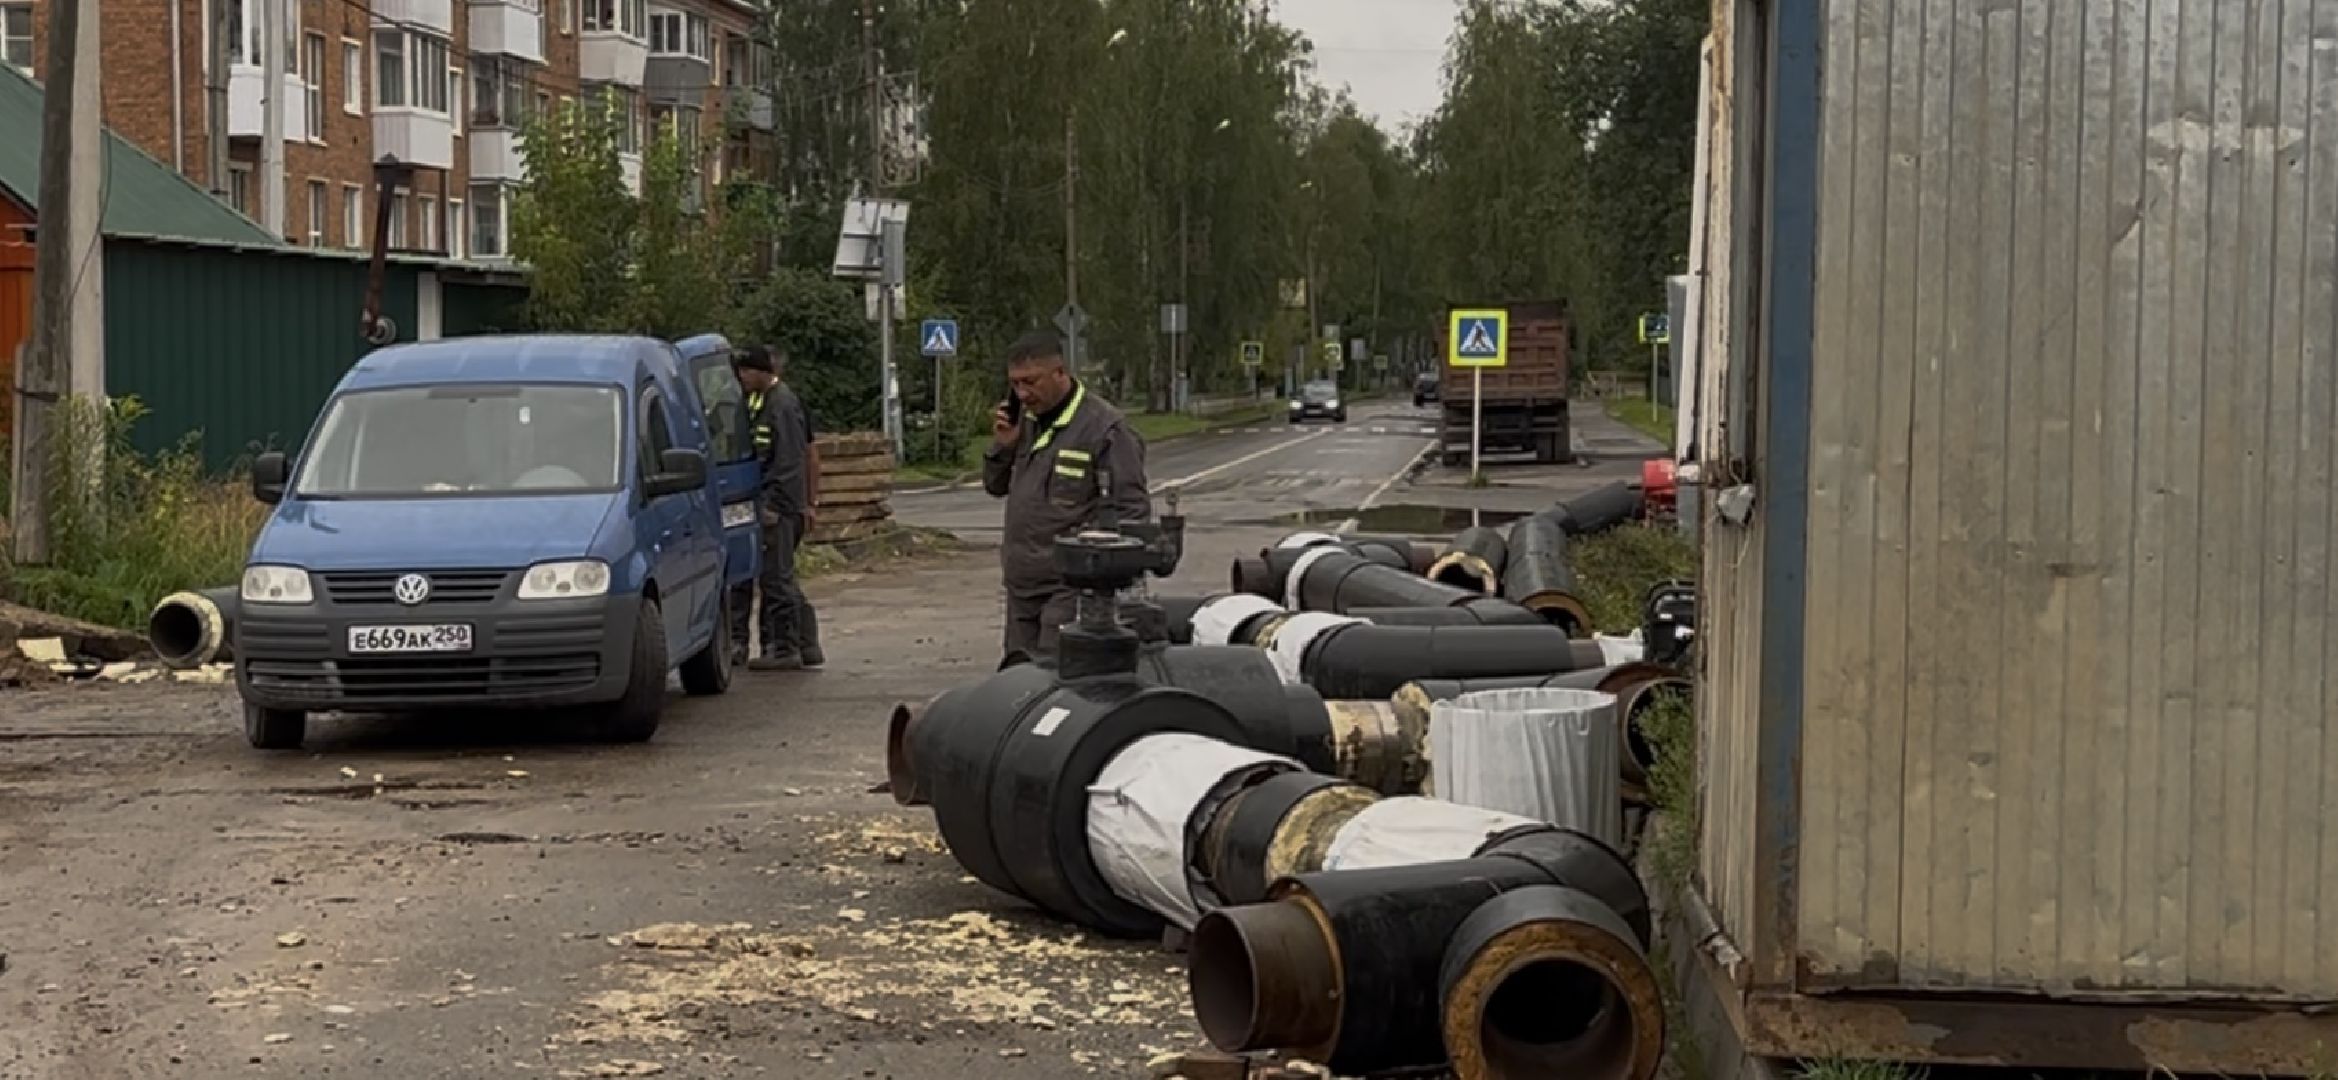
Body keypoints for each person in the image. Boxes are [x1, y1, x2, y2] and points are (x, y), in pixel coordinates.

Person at [982, 330, 1150, 660]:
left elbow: (1132, 512)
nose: (1022, 394)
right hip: (1022, 588)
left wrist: (1100, 575)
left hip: (1070, 588)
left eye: (1031, 382)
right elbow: (994, 486)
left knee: (1055, 675)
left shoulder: (1104, 429)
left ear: (1060, 373)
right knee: (1018, 678)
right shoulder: (1024, 422)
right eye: (1015, 384)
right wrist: (1003, 447)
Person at [733, 344, 825, 671]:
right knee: (776, 575)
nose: (742, 378)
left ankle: (786, 648)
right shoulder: (762, 401)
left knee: (776, 578)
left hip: (780, 508)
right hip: (774, 503)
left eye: (746, 371)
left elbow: (789, 461)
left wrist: (773, 505)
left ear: (761, 372)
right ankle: (804, 644)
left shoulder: (783, 405)